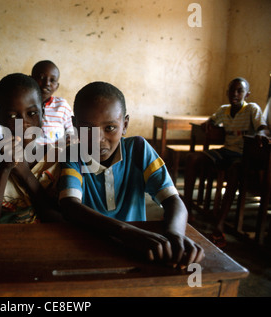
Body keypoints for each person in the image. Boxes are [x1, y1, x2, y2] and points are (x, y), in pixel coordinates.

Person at [58, 81, 204, 267]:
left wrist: (174, 234)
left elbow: (173, 200)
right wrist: (125, 232)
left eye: (110, 128)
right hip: (88, 246)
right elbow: (70, 206)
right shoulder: (73, 155)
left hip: (139, 250)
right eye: (88, 129)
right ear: (75, 125)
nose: (99, 139)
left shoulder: (138, 149)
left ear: (125, 125)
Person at [183, 77, 268, 247]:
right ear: (227, 93)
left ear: (247, 94)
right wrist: (208, 124)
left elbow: (262, 128)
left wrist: (262, 134)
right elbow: (212, 121)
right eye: (232, 91)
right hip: (226, 151)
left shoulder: (252, 109)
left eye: (239, 91)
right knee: (192, 159)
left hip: (242, 155)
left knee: (235, 171)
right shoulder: (224, 110)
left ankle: (219, 224)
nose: (235, 94)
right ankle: (187, 209)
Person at [0, 73, 64, 224]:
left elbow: (60, 221)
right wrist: (3, 169)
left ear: (43, 112)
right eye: (12, 116)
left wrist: (26, 174)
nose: (24, 123)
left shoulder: (57, 159)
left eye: (32, 113)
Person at [31, 60, 74, 145]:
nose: (47, 83)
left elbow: (71, 130)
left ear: (57, 86)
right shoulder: (23, 105)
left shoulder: (62, 105)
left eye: (52, 80)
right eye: (41, 77)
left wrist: (70, 139)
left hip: (57, 152)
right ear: (31, 79)